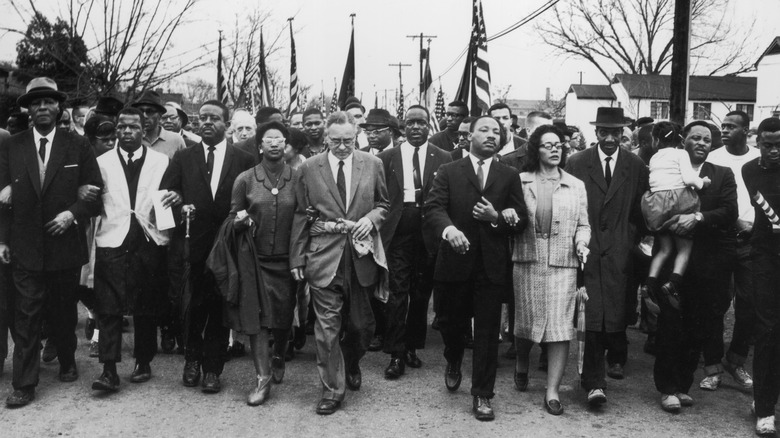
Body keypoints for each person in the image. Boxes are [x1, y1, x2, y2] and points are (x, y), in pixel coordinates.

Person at [0, 77, 103, 407]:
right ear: (28, 109)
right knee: (26, 315)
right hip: (25, 245)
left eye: (48, 102)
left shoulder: (77, 145)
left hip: (64, 246)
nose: (42, 107)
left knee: (62, 313)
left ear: (59, 108)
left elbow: (94, 194)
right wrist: (3, 240)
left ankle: (68, 360)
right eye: (36, 103)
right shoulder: (13, 145)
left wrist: (71, 213)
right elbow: (3, 199)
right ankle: (24, 384)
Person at [424, 115, 528, 421]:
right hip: (454, 263)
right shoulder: (448, 171)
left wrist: (497, 216)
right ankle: (453, 357)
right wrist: (449, 230)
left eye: (497, 131)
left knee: (486, 332)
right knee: (451, 324)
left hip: (491, 266)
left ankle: (483, 394)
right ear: (469, 136)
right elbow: (433, 208)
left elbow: (521, 218)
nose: (492, 136)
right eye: (485, 130)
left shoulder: (508, 175)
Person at [290, 111, 389, 415]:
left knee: (362, 327)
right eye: (336, 141)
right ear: (326, 138)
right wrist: (297, 256)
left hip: (360, 256)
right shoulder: (308, 168)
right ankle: (332, 389)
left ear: (356, 134)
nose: (343, 146)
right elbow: (300, 214)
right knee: (326, 327)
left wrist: (370, 220)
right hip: (324, 256)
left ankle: (351, 362)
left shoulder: (372, 164)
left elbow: (384, 204)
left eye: (348, 140)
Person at [159, 100, 254, 394]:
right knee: (192, 305)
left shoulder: (243, 159)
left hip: (228, 245)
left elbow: (253, 201)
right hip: (194, 244)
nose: (207, 123)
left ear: (226, 125)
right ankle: (192, 360)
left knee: (220, 306)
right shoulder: (185, 158)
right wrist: (176, 202)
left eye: (214, 118)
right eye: (203, 118)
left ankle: (213, 368)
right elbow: (166, 194)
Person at [651, 120, 737, 413]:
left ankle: (683, 385)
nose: (701, 143)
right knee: (670, 326)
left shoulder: (722, 175)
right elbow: (649, 204)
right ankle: (667, 388)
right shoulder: (666, 168)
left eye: (707, 139)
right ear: (682, 140)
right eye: (695, 137)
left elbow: (729, 211)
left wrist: (698, 218)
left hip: (706, 265)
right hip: (672, 265)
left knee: (696, 329)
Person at [565, 107, 649, 407]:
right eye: (604, 132)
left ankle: (613, 362)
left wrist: (629, 241)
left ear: (624, 133)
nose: (610, 138)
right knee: (590, 314)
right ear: (595, 132)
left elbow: (642, 211)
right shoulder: (576, 163)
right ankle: (593, 382)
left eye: (616, 132)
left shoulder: (636, 165)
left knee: (616, 313)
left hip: (619, 251)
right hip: (586, 247)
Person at [90, 107, 172, 393]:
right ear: (116, 129)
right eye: (122, 127)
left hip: (148, 238)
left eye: (133, 127)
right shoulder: (101, 162)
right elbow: (93, 201)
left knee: (145, 304)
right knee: (108, 305)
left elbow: (168, 197)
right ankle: (109, 369)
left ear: (143, 129)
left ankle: (143, 360)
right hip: (112, 238)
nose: (127, 132)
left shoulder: (161, 161)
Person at [510, 124, 590, 416]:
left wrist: (582, 244)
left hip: (563, 263)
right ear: (535, 150)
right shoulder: (519, 181)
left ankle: (552, 390)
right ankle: (521, 362)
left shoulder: (575, 185)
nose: (555, 149)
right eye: (547, 145)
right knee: (525, 322)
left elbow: (584, 224)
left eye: (559, 144)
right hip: (528, 259)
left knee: (559, 328)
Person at [376, 105, 452, 380]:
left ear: (429, 126)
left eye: (421, 123)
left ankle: (411, 346)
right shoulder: (388, 157)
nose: (416, 128)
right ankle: (395, 352)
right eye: (411, 123)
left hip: (429, 227)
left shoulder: (444, 157)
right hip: (400, 227)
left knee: (421, 292)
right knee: (398, 290)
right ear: (403, 127)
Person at [225, 121, 298, 405]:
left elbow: (305, 215)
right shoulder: (246, 178)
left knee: (282, 317)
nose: (274, 143)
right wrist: (242, 221)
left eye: (280, 139)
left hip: (287, 260)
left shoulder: (298, 177)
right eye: (268, 139)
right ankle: (262, 378)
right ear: (259, 146)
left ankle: (279, 352)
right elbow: (232, 217)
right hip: (254, 261)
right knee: (258, 321)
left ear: (286, 145)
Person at [701, 110, 760, 391]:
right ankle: (712, 365)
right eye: (722, 125)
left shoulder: (759, 157)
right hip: (720, 238)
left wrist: (755, 225)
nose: (723, 130)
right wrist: (735, 220)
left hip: (753, 240)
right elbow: (708, 200)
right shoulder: (713, 158)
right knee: (715, 303)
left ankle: (735, 360)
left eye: (731, 126)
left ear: (746, 131)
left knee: (749, 304)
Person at [640, 122, 710, 310]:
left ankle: (649, 283)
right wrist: (703, 183)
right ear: (679, 139)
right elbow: (688, 178)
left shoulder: (654, 158)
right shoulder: (681, 154)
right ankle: (673, 283)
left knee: (664, 250)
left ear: (655, 140)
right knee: (684, 250)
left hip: (655, 206)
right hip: (678, 202)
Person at [742, 117, 780, 435]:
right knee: (768, 329)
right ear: (758, 142)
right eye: (768, 144)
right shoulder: (749, 170)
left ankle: (767, 396)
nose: (774, 150)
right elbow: (767, 215)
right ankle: (765, 408)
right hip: (765, 256)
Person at [131, 90, 185, 159]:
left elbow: (186, 167)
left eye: (149, 111)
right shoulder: (132, 139)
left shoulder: (176, 140)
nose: (144, 116)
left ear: (159, 116)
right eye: (140, 111)